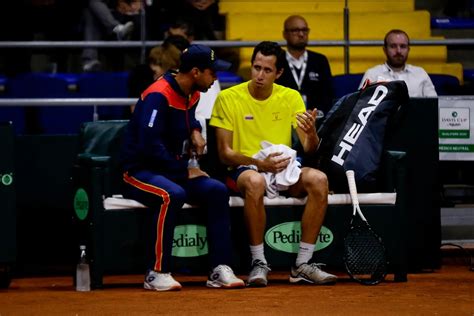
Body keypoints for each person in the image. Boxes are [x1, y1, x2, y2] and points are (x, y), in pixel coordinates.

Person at [209, 41, 337, 287]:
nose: (259, 75)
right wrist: (260, 163)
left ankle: (302, 264)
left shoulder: (290, 97)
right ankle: (259, 262)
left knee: (319, 180)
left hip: (282, 169)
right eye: (256, 67)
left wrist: (311, 133)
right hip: (245, 168)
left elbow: (309, 149)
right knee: (255, 181)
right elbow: (225, 154)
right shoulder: (228, 98)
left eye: (267, 70)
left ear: (278, 73)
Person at [119, 44, 245, 291]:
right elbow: (149, 145)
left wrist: (196, 130)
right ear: (196, 72)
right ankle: (156, 272)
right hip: (137, 171)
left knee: (217, 191)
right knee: (171, 195)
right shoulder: (159, 94)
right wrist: (183, 171)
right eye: (212, 72)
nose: (216, 78)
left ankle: (220, 269)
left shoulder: (193, 93)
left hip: (170, 169)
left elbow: (190, 118)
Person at [275, 15, 334, 116]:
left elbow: (328, 95)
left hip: (315, 120)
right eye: (295, 30)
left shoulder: (320, 60)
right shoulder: (277, 60)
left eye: (304, 30)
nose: (301, 34)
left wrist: (318, 113)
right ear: (285, 34)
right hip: (284, 119)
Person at [358, 29, 437, 97]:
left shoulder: (420, 73)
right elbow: (361, 106)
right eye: (393, 46)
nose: (398, 51)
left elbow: (434, 105)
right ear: (385, 50)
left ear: (408, 49)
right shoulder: (372, 74)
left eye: (403, 46)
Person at [81, 0, 139, 72]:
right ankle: (116, 28)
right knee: (93, 4)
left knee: (91, 13)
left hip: (107, 11)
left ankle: (89, 60)